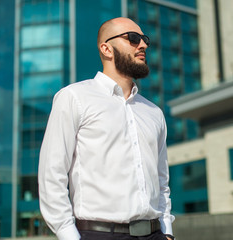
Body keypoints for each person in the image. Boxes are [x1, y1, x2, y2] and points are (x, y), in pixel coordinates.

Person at [38, 17, 175, 240]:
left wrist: (167, 231)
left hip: (155, 234)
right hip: (99, 235)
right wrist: (68, 235)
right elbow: (51, 175)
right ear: (106, 49)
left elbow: (162, 182)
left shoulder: (153, 112)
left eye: (144, 39)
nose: (143, 45)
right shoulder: (74, 98)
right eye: (133, 38)